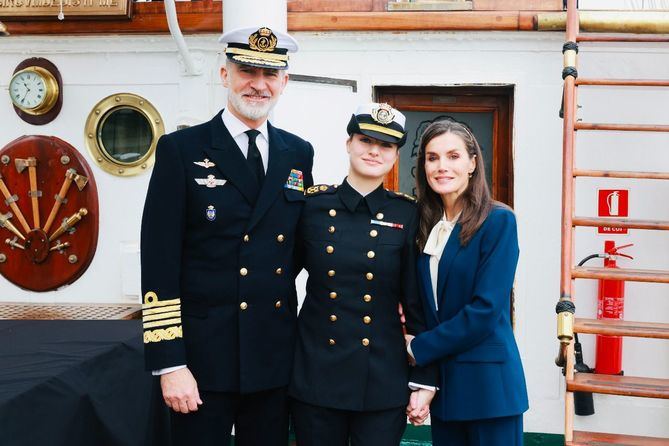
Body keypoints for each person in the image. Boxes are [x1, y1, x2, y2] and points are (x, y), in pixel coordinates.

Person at [140, 26, 314, 446]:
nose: (258, 84)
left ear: (284, 82)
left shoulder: (299, 152)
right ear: (224, 75)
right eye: (247, 71)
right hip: (201, 360)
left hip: (272, 356)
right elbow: (158, 260)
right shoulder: (181, 149)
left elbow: (302, 247)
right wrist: (169, 363)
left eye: (270, 74)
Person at [289, 103, 437, 446]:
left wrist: (425, 378)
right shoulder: (311, 207)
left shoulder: (408, 213)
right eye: (365, 140)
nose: (374, 151)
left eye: (385, 145)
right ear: (348, 143)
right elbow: (278, 281)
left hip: (381, 377)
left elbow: (417, 303)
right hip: (316, 373)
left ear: (396, 154)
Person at [405, 119, 528, 446]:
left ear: (473, 163)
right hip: (447, 391)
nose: (441, 166)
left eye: (453, 156)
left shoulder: (499, 220)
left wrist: (418, 348)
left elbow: (485, 310)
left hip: (489, 389)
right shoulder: (423, 223)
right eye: (432, 158)